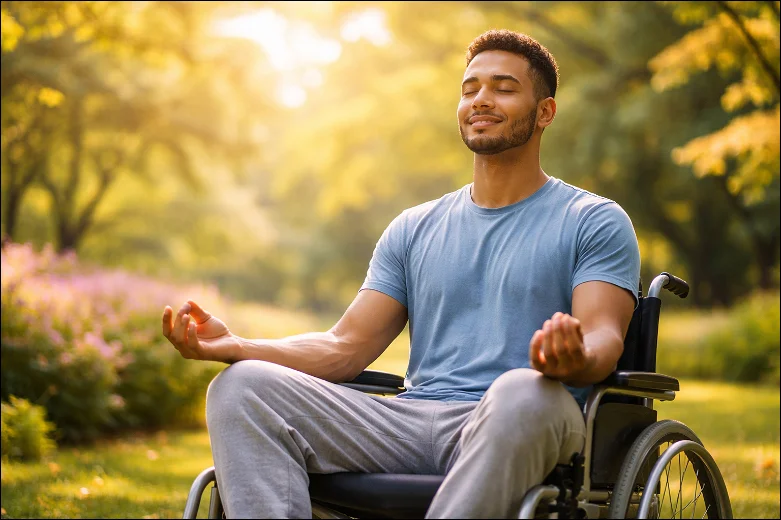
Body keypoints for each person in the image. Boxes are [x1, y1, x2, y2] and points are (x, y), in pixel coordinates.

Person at [162, 29, 640, 519]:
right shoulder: (414, 227)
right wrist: (237, 346)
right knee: (240, 388)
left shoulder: (592, 219)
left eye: (503, 87)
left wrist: (574, 358)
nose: (480, 100)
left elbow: (605, 337)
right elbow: (344, 347)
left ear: (545, 112)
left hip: (529, 414)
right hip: (411, 419)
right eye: (469, 88)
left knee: (520, 388)